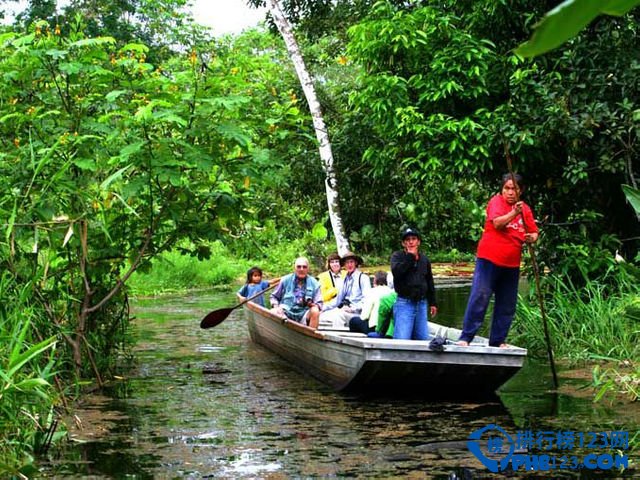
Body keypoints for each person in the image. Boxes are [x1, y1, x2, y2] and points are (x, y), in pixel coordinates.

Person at [457, 173, 539, 348]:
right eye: (507, 188)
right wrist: (513, 213)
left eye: (514, 189)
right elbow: (497, 224)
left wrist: (532, 237)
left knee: (506, 304)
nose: (510, 192)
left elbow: (533, 231)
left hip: (511, 264)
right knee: (480, 297)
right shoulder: (496, 202)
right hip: (489, 259)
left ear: (520, 191)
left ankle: (497, 340)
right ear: (502, 190)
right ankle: (466, 337)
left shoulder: (525, 209)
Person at [390, 228, 438, 340]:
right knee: (402, 339)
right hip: (404, 303)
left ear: (418, 242)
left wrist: (433, 302)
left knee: (423, 339)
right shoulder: (397, 257)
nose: (411, 242)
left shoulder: (424, 260)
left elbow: (429, 281)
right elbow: (397, 272)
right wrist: (410, 257)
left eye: (413, 239)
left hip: (421, 303)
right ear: (403, 243)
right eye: (407, 240)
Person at [318, 251, 371, 330]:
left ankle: (339, 339)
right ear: (344, 265)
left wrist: (352, 309)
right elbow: (337, 300)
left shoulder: (363, 278)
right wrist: (321, 307)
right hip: (345, 310)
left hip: (357, 313)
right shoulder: (344, 279)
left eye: (351, 262)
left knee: (338, 316)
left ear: (356, 263)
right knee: (320, 315)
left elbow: (367, 300)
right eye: (347, 263)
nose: (349, 265)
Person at [269, 257, 322, 328]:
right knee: (273, 311)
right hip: (285, 313)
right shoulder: (285, 280)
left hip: (304, 314)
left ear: (308, 269)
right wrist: (276, 307)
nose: (301, 269)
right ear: (294, 268)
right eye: (299, 267)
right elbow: (274, 297)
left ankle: (310, 336)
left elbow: (319, 303)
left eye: (304, 267)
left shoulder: (315, 283)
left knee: (315, 311)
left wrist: (312, 304)